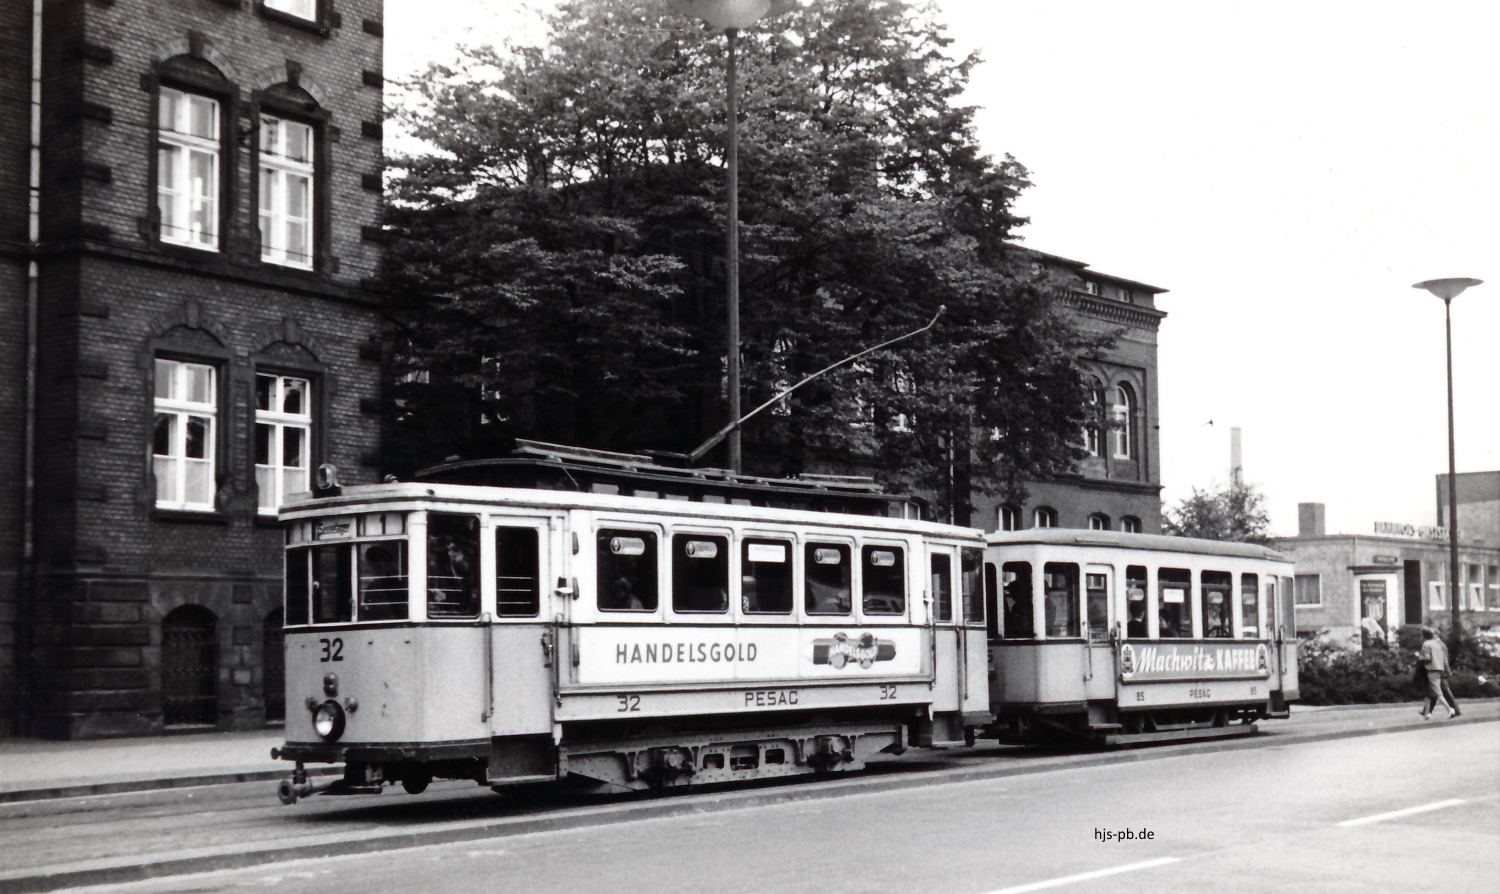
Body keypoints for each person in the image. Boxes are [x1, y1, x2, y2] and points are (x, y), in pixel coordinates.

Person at [1418, 627, 1461, 719]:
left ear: (1423, 635)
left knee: (1437, 692)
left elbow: (1427, 658)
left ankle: (1450, 709)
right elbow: (1444, 658)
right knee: (1429, 693)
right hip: (1439, 669)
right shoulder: (1437, 644)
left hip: (1431, 669)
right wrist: (1447, 669)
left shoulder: (1426, 644)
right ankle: (1427, 713)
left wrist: (1419, 656)